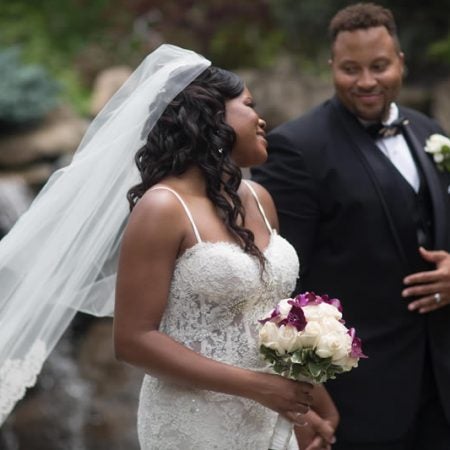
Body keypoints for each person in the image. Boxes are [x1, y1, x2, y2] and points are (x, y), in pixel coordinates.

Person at [0, 44, 336, 449]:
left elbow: (268, 318)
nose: (261, 118)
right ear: (212, 118)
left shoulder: (259, 199)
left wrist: (309, 398)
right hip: (195, 419)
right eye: (249, 105)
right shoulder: (162, 208)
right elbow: (133, 340)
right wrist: (258, 386)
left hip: (267, 413)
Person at [252, 3, 450, 450]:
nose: (365, 81)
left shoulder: (427, 131)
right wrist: (300, 403)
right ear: (331, 68)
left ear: (401, 61)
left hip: (440, 383)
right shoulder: (296, 149)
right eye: (350, 69)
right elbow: (278, 282)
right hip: (358, 395)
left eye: (379, 66)